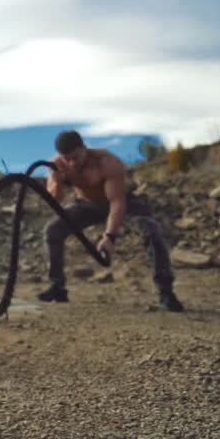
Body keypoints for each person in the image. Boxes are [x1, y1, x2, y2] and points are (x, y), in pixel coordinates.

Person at [37, 130, 184, 312]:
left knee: (151, 229)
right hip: (89, 205)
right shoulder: (57, 165)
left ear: (84, 148)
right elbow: (55, 201)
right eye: (67, 159)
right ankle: (57, 287)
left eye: (76, 157)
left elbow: (117, 202)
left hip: (125, 202)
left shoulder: (107, 162)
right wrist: (56, 182)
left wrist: (110, 237)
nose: (72, 163)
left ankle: (166, 291)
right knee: (53, 229)